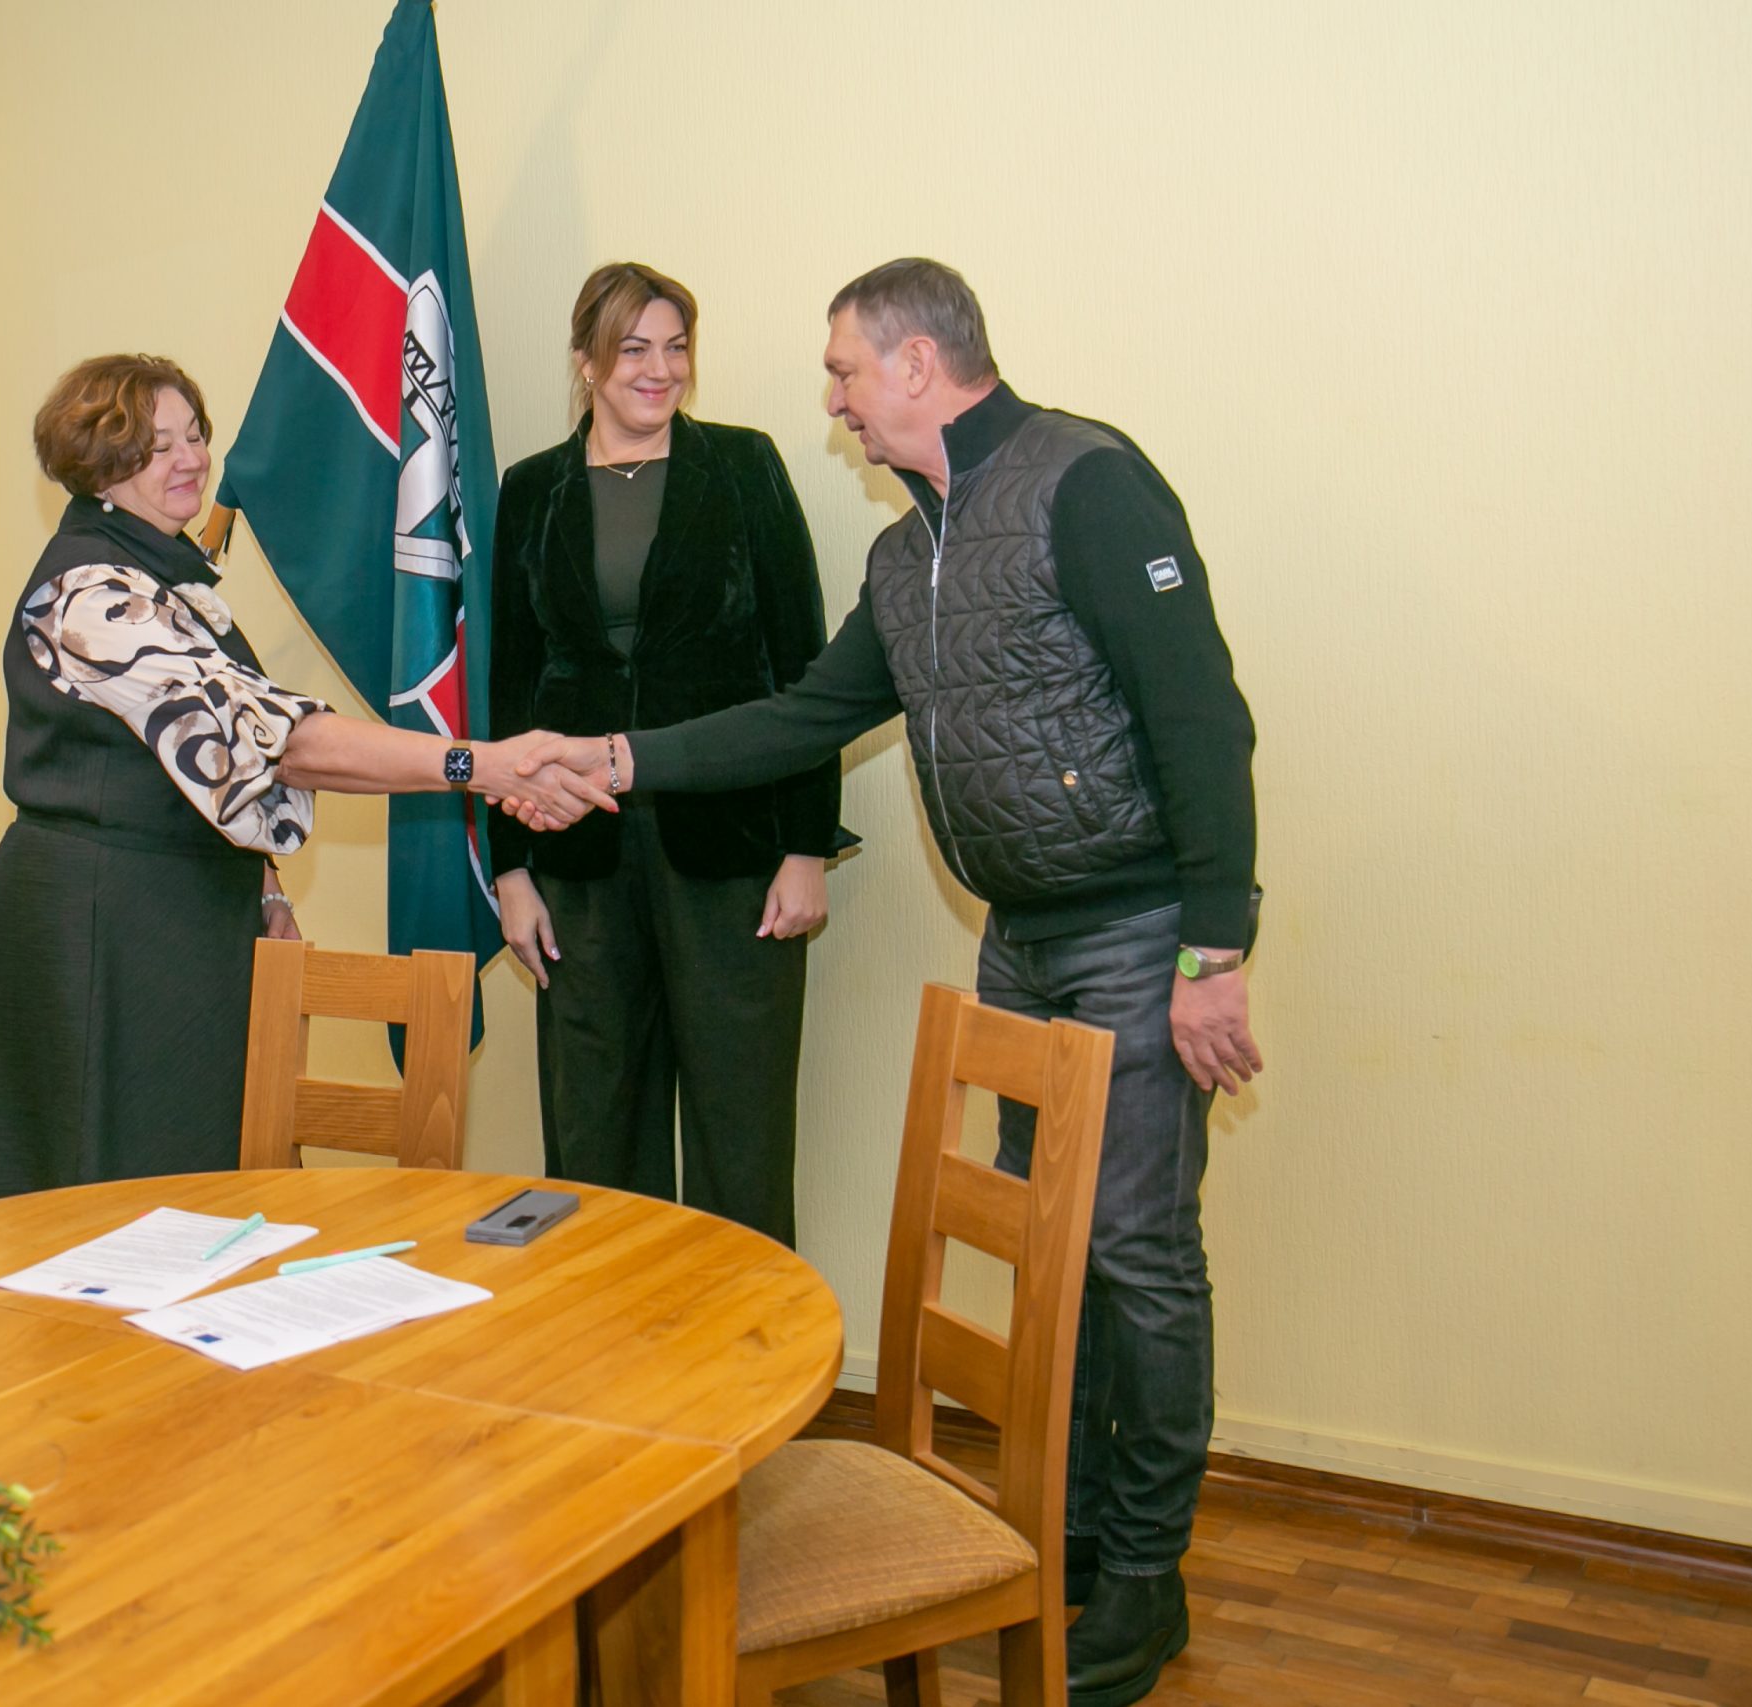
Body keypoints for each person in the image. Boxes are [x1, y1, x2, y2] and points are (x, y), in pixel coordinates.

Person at [515, 259, 1259, 1707]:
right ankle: (1079, 1535)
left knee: (1136, 1251)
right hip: (1022, 937)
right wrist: (614, 758)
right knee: (1054, 1248)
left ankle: (1145, 1570)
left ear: (919, 364)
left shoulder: (1086, 483)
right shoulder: (907, 546)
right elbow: (804, 713)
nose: (837, 402)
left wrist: (1213, 947)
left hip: (1137, 928)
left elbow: (1198, 713)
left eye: (847, 372)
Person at [0, 353, 608, 1208]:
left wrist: (264, 886)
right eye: (157, 447)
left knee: (196, 1180)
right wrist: (477, 764)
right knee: (106, 1186)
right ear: (99, 468)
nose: (191, 460)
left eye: (195, 436)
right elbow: (276, 740)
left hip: (181, 913)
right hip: (102, 926)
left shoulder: (159, 569)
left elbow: (195, 766)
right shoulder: (94, 596)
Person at [490, 262, 847, 1246]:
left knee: (742, 1135)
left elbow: (803, 673)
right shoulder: (530, 489)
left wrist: (806, 847)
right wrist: (510, 870)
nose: (659, 370)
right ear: (586, 361)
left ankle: (750, 1342)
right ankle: (612, 1340)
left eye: (676, 347)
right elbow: (510, 688)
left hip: (731, 852)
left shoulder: (743, 465)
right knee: (593, 1136)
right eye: (634, 349)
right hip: (576, 854)